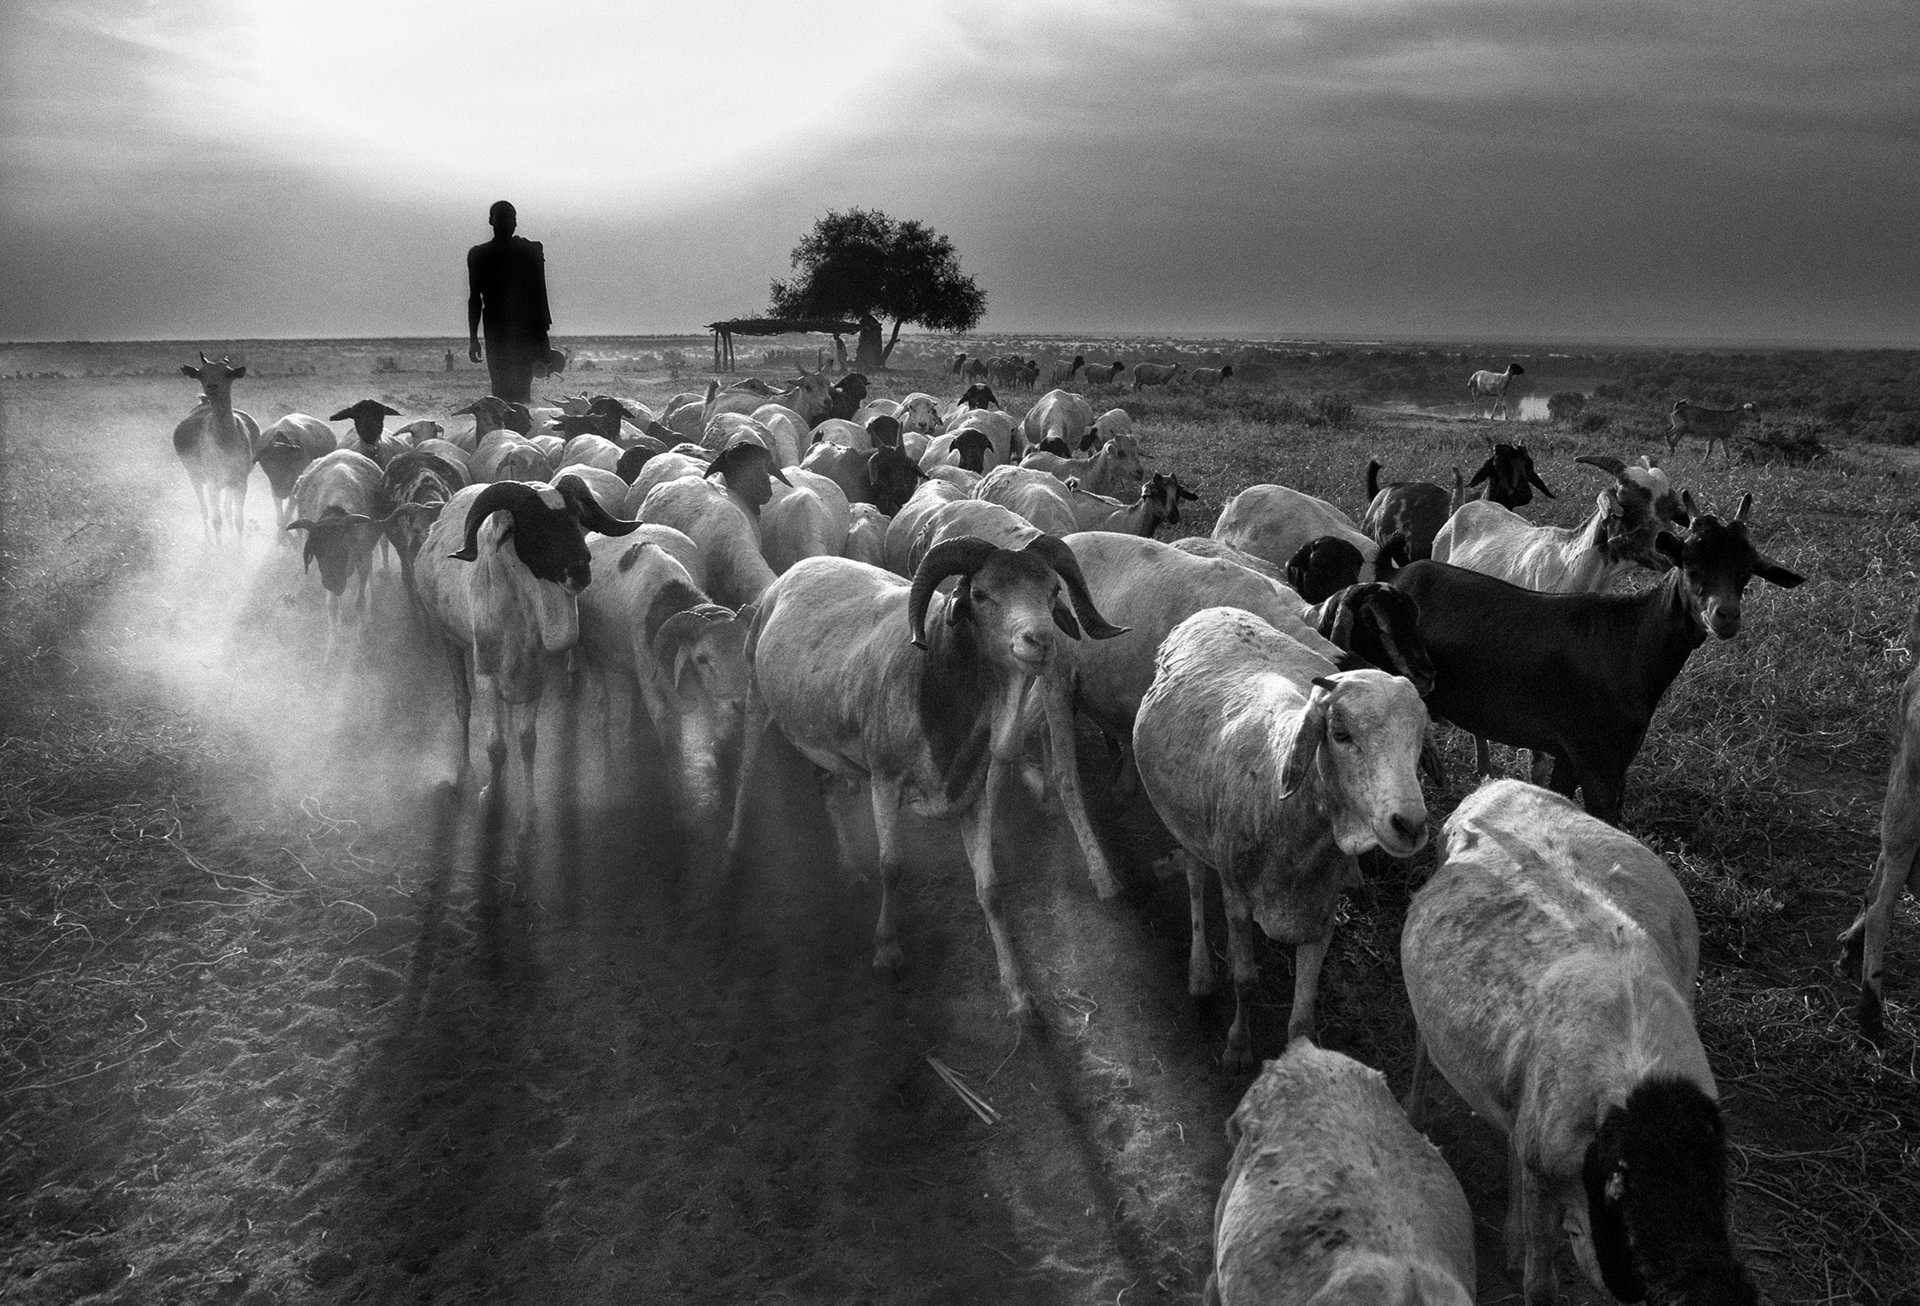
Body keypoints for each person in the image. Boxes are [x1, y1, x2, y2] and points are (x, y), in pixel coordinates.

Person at [466, 200, 552, 405]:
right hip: (496, 330)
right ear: (491, 221)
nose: (507, 223)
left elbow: (540, 292)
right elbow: (475, 299)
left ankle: (518, 431)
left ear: (516, 222)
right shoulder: (479, 255)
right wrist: (473, 338)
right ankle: (505, 432)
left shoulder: (530, 250)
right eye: (502, 219)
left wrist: (543, 337)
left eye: (511, 219)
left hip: (526, 330)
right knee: (500, 387)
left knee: (523, 388)